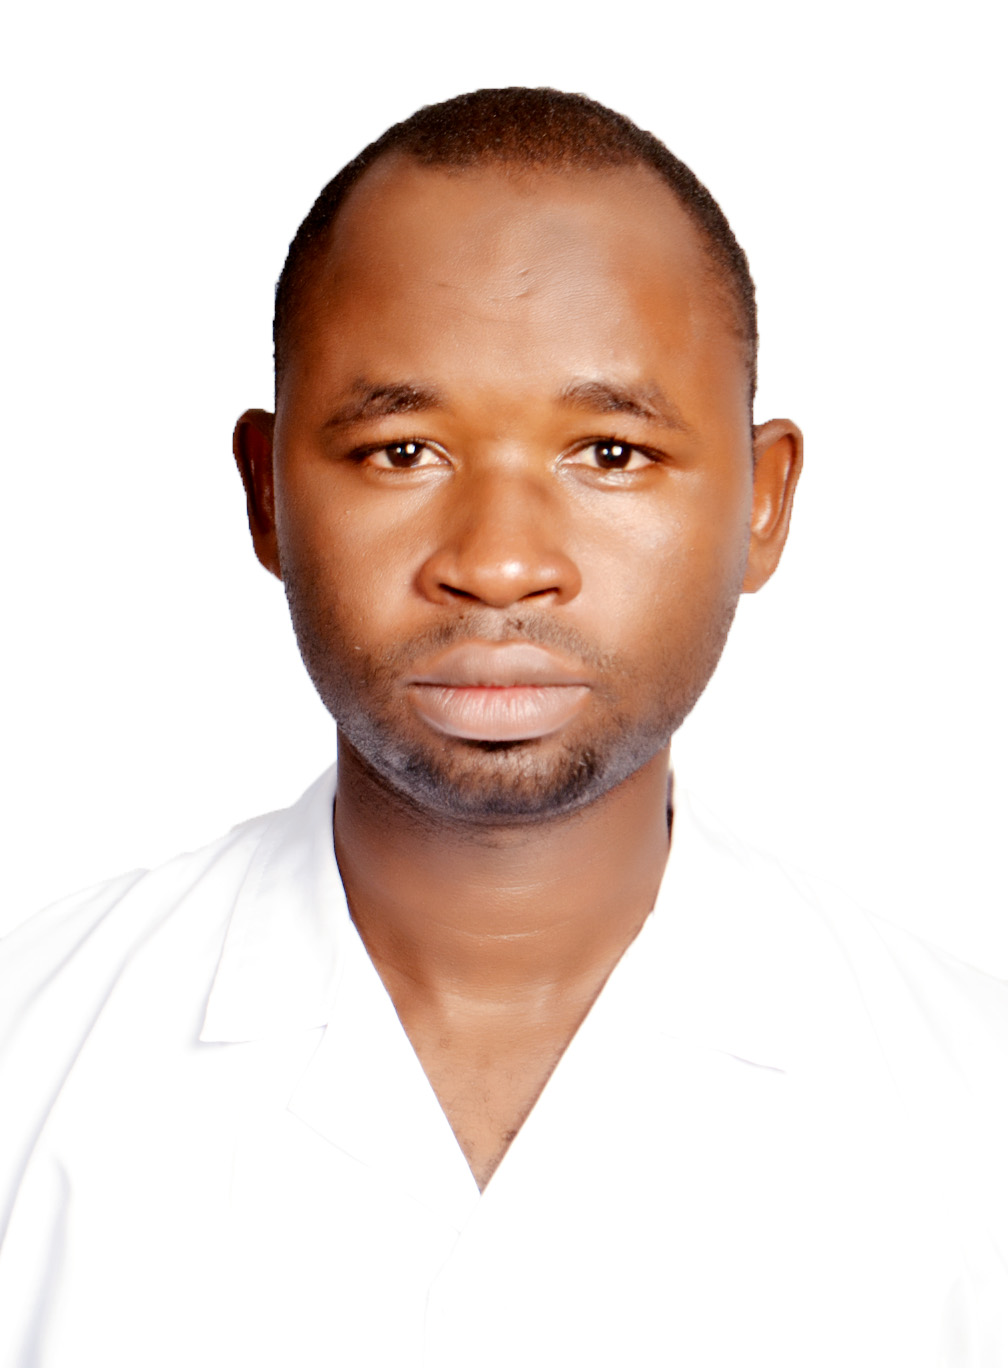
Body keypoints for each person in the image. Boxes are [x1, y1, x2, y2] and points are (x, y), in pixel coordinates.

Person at [1, 87, 1005, 1368]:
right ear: (266, 496)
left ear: (764, 503)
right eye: (402, 452)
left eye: (610, 453)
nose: (499, 563)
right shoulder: (27, 1070)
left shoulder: (975, 1120)